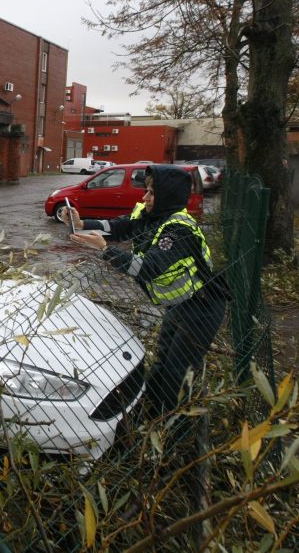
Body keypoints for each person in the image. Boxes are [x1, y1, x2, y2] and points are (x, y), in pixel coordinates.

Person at [64, 164, 228, 415]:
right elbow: (121, 227)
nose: (144, 197)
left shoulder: (178, 229)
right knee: (162, 362)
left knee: (178, 373)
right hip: (180, 306)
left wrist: (105, 250)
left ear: (167, 195)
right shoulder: (152, 215)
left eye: (151, 193)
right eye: (146, 190)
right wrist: (82, 222)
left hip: (202, 308)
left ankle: (176, 427)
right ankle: (153, 414)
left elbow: (148, 268)